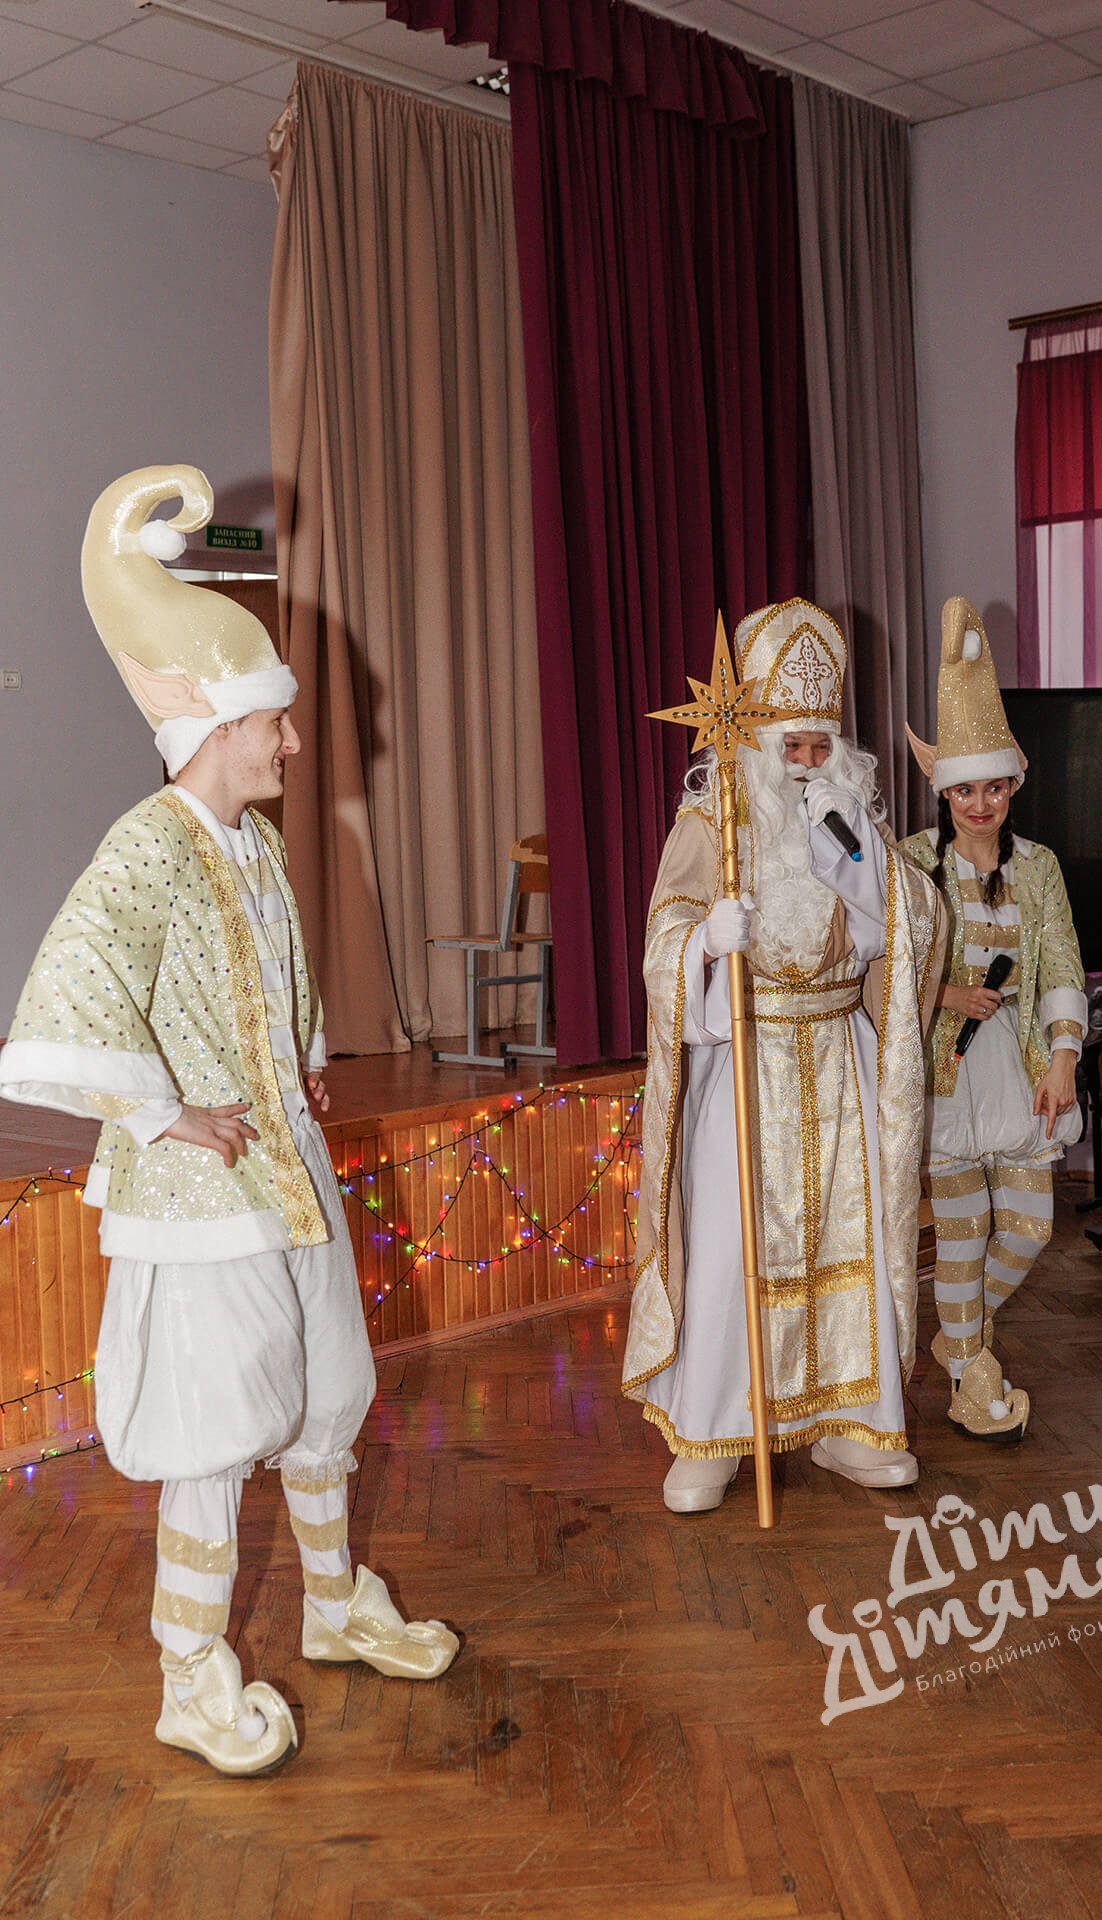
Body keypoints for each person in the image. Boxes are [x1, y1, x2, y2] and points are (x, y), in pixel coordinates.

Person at [0, 465, 457, 1777]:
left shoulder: (255, 846)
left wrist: (299, 1069)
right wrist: (160, 1111)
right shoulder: (148, 843)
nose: (293, 743)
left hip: (283, 1167)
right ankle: (190, 1676)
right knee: (215, 1428)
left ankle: (333, 1602)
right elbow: (72, 985)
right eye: (275, 722)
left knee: (325, 1390)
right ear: (212, 719)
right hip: (201, 1198)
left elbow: (274, 989)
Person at [623, 599, 943, 1513]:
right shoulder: (711, 824)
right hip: (746, 1060)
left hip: (838, 1054)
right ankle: (717, 1431)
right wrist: (704, 944)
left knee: (852, 1240)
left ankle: (852, 1425)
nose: (805, 763)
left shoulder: (851, 825)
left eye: (819, 746)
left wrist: (868, 877)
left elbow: (915, 925)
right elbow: (661, 946)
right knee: (733, 1251)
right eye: (791, 746)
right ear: (756, 740)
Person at [900, 597, 1086, 1442]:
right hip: (942, 1075)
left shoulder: (1039, 868)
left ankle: (958, 1340)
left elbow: (1063, 964)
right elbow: (879, 966)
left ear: (1013, 786)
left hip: (1019, 1069)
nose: (980, 803)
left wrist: (1064, 1055)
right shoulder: (911, 861)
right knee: (964, 1233)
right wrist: (944, 996)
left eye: (994, 786)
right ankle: (973, 1380)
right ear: (944, 789)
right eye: (965, 788)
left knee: (1031, 1227)